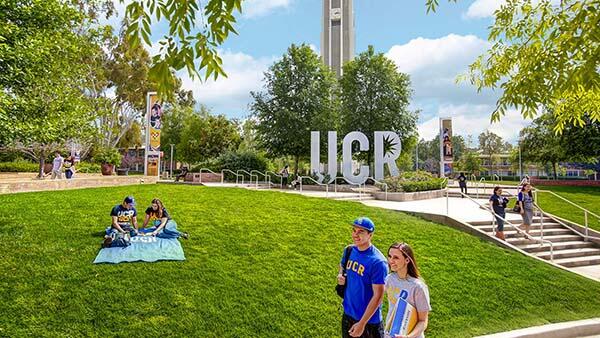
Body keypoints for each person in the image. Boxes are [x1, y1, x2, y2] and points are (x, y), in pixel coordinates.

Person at [337, 217, 388, 338]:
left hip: (369, 322)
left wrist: (362, 324)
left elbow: (378, 296)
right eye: (354, 230)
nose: (355, 235)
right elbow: (342, 265)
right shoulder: (349, 250)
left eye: (361, 232)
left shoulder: (378, 262)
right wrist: (340, 275)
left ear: (370, 235)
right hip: (348, 314)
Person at [384, 242, 431, 338]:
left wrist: (408, 337)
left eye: (396, 258)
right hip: (391, 334)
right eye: (390, 256)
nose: (391, 261)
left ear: (407, 260)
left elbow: (423, 321)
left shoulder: (418, 287)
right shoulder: (389, 279)